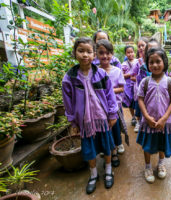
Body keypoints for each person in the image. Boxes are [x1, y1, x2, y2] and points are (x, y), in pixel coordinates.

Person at [62, 37, 117, 193]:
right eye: (81, 51)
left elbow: (110, 95)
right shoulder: (69, 78)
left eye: (88, 51)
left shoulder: (101, 74)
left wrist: (112, 114)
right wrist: (73, 123)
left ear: (94, 55)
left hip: (102, 118)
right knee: (90, 150)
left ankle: (108, 171)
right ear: (74, 53)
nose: (85, 55)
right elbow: (68, 103)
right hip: (85, 122)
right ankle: (93, 175)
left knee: (106, 147)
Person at [136, 47, 171, 183]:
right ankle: (148, 166)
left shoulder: (170, 82)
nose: (154, 65)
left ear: (164, 62)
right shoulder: (145, 82)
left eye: (158, 61)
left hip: (165, 123)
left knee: (162, 144)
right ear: (147, 64)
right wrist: (147, 117)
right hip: (149, 122)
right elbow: (140, 99)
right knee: (147, 145)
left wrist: (164, 118)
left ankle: (161, 164)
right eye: (151, 62)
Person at [96, 39, 126, 161]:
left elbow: (122, 88)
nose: (105, 56)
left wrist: (108, 91)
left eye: (108, 53)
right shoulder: (94, 72)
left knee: (115, 129)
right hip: (100, 109)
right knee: (104, 130)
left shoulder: (117, 71)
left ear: (112, 54)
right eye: (101, 53)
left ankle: (114, 152)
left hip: (115, 107)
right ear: (96, 54)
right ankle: (107, 149)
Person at [132, 38, 160, 133]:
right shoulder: (142, 66)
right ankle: (140, 123)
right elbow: (138, 80)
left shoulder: (162, 66)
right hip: (144, 94)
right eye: (150, 49)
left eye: (155, 49)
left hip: (156, 95)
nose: (153, 52)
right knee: (141, 111)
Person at [122, 45, 138, 126]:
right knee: (130, 102)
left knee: (138, 101)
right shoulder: (124, 64)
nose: (130, 54)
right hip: (128, 86)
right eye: (128, 52)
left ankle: (139, 117)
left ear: (134, 52)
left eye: (132, 52)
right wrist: (130, 74)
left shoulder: (138, 62)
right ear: (125, 54)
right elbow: (122, 75)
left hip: (137, 85)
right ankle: (133, 117)